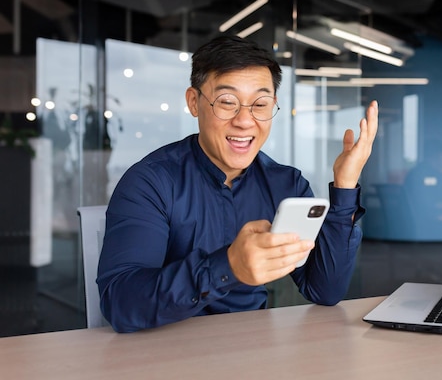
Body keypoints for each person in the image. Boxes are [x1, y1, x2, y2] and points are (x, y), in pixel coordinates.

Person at [96, 35, 379, 333]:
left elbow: (325, 290)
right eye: (227, 102)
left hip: (254, 351)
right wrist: (227, 267)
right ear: (194, 102)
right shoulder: (150, 182)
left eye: (260, 104)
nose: (245, 121)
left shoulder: (286, 184)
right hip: (165, 354)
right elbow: (120, 302)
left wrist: (346, 185)